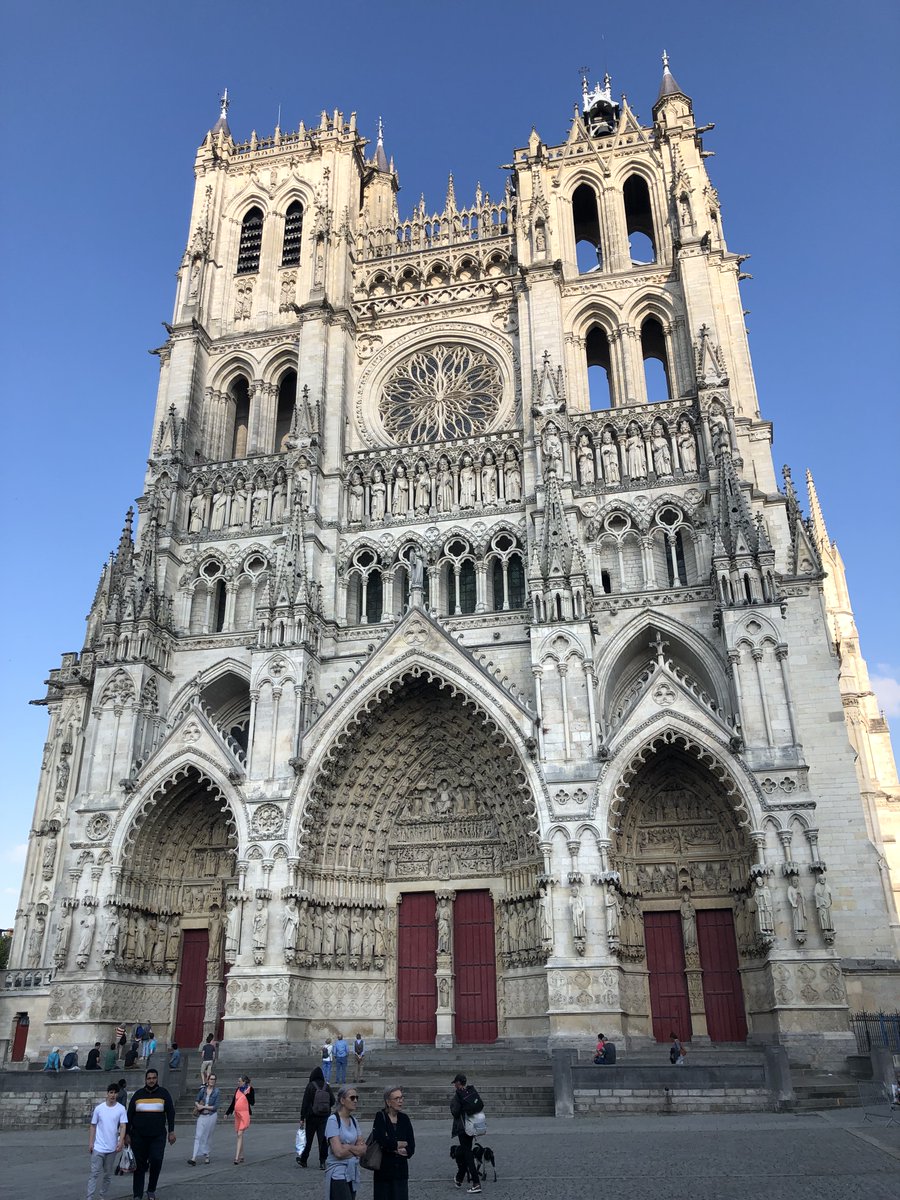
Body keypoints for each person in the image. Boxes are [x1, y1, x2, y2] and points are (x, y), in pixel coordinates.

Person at [126, 1067, 176, 1200]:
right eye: (149, 1078)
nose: (151, 1080)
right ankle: (137, 1194)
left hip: (158, 1136)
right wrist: (127, 1134)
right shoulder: (138, 1095)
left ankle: (151, 1189)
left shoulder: (164, 1094)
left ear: (157, 1079)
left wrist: (171, 1131)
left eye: (154, 1078)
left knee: (157, 1160)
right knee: (139, 1166)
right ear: (145, 1080)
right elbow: (129, 1115)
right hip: (139, 1136)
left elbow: (170, 1113)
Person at [372, 1084, 415, 1200]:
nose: (400, 1101)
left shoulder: (404, 1119)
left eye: (401, 1098)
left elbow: (411, 1145)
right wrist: (397, 1145)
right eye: (397, 1099)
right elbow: (381, 1140)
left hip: (401, 1171)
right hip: (384, 1172)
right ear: (388, 1102)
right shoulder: (380, 1117)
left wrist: (405, 1149)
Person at [85, 1081, 127, 1200]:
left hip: (111, 1147)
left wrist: (120, 1141)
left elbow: (123, 1126)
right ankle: (90, 1197)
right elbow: (93, 1125)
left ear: (117, 1095)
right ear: (107, 1094)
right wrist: (91, 1143)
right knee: (94, 1174)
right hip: (98, 1147)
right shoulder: (99, 1109)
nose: (113, 1095)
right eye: (111, 1093)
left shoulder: (121, 1109)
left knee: (107, 1175)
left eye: (115, 1093)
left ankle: (102, 1195)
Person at [325, 1085, 367, 1199]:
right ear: (342, 1100)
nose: (356, 1101)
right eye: (352, 1098)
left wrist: (347, 1147)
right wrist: (354, 1149)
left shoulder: (354, 1120)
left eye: (357, 1098)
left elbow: (363, 1149)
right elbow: (338, 1152)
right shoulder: (333, 1120)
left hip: (352, 1172)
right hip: (337, 1173)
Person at [450, 1073, 483, 1194]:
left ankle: (476, 1183)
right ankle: (459, 1178)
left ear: (459, 1083)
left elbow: (455, 1112)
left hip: (463, 1128)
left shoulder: (458, 1095)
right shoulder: (471, 1091)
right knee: (465, 1152)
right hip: (472, 1126)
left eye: (455, 1083)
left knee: (467, 1154)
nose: (454, 1085)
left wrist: (456, 1104)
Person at [298, 1065, 334, 1169]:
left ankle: (304, 1160)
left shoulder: (310, 1086)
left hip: (311, 1117)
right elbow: (332, 1101)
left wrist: (302, 1118)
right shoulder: (326, 1086)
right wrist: (325, 1108)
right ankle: (322, 1162)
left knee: (309, 1140)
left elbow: (305, 1102)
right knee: (322, 1140)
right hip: (324, 1117)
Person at [188, 1071, 219, 1166]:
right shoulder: (203, 1090)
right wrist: (198, 1106)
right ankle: (193, 1157)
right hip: (202, 1115)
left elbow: (215, 1106)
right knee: (198, 1136)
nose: (212, 1081)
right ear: (207, 1080)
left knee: (208, 1136)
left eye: (214, 1079)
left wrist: (204, 1107)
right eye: (211, 1079)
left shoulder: (217, 1091)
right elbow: (196, 1101)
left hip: (211, 1115)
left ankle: (207, 1155)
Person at [226, 1074, 254, 1164]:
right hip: (237, 1115)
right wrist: (227, 1112)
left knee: (239, 1134)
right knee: (239, 1135)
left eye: (239, 1081)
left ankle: (236, 1157)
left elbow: (252, 1102)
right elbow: (233, 1102)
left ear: (244, 1082)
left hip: (244, 1114)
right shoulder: (237, 1090)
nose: (238, 1082)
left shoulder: (250, 1089)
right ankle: (241, 1156)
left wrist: (247, 1094)